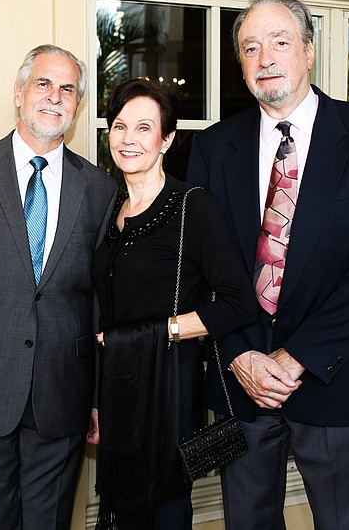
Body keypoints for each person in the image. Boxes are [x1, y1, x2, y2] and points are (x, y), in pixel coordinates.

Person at [187, 0, 349, 530]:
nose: (264, 57)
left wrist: (294, 359)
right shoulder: (213, 148)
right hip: (241, 386)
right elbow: (198, 267)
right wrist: (239, 356)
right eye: (250, 47)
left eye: (279, 42)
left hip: (337, 383)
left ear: (309, 52)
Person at [0, 44, 118, 530]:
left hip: (62, 397)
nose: (55, 97)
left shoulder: (100, 189)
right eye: (44, 84)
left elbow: (101, 305)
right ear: (18, 93)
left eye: (68, 89)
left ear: (78, 105)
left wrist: (97, 397)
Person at [91, 77, 257, 529]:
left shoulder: (192, 205)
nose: (129, 139)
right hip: (120, 388)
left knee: (164, 509)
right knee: (125, 509)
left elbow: (239, 302)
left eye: (144, 128)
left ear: (166, 140)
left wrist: (162, 329)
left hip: (169, 387)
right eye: (120, 126)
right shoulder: (112, 208)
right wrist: (98, 399)